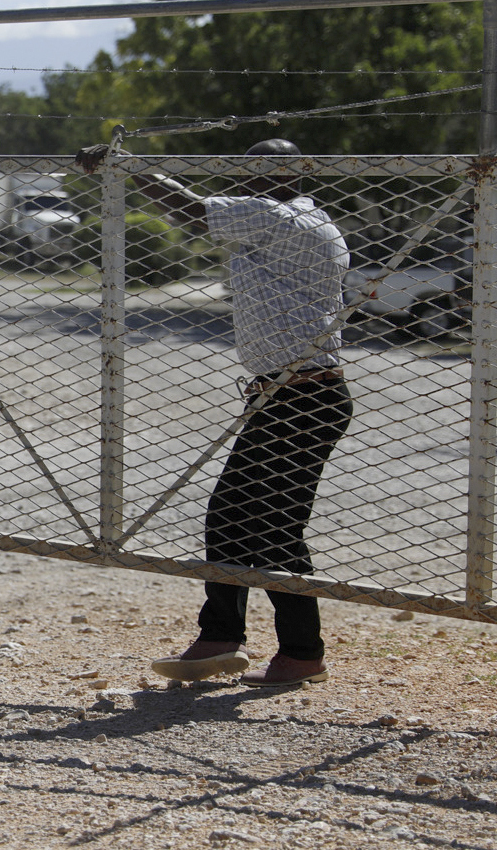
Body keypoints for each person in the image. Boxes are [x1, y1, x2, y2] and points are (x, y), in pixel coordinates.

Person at [75, 138, 353, 688]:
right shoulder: (312, 218)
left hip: (300, 395)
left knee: (271, 527)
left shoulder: (276, 214)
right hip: (290, 393)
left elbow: (188, 209)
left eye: (261, 168)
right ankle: (224, 638)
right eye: (249, 166)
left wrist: (127, 169)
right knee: (236, 517)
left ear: (291, 172)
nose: (250, 177)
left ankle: (299, 651)